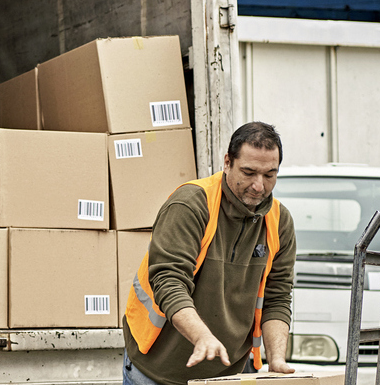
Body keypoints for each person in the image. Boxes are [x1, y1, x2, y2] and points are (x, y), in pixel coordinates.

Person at [122, 122, 297, 384]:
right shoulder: (191, 204)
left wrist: (277, 359)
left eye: (270, 175)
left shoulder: (279, 221)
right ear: (227, 162)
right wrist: (201, 337)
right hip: (156, 371)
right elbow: (169, 281)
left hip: (228, 376)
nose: (259, 186)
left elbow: (277, 297)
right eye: (248, 172)